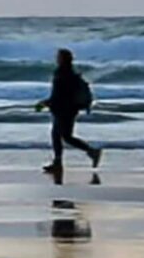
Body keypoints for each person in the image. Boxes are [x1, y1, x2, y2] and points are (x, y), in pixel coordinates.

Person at [34, 48, 102, 182]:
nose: (56, 58)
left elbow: (59, 95)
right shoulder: (70, 72)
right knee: (58, 135)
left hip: (64, 109)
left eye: (58, 57)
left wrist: (45, 103)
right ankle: (58, 163)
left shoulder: (62, 74)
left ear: (63, 59)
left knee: (65, 136)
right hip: (69, 109)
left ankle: (92, 152)